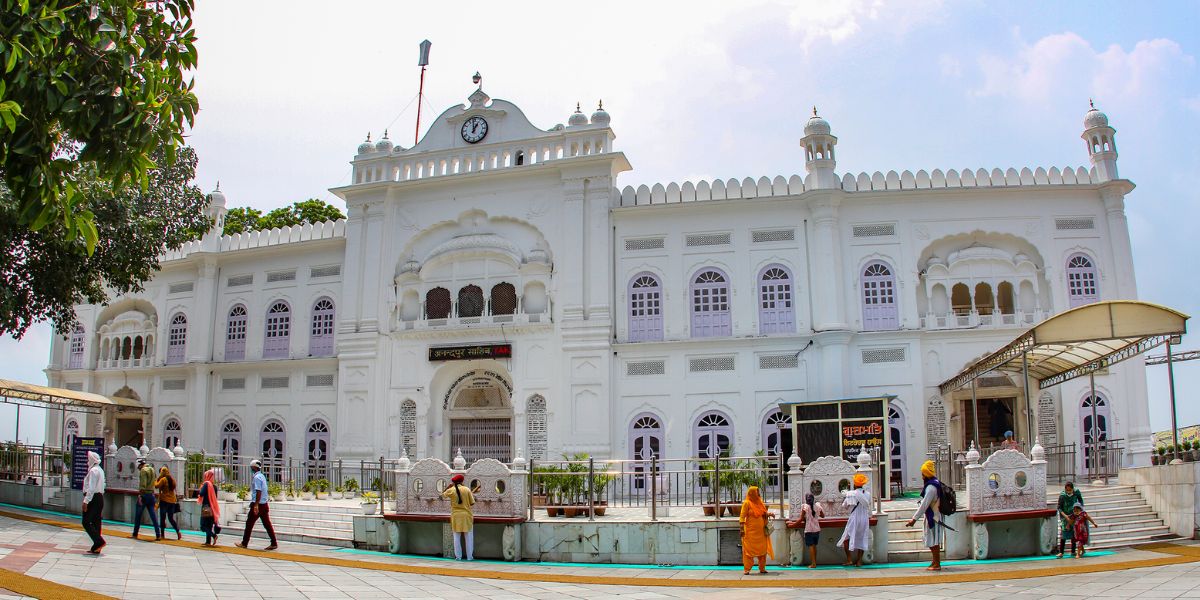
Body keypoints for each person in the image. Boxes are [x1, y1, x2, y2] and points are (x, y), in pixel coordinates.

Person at [905, 460, 944, 571]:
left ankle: (937, 564)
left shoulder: (931, 487)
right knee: (931, 539)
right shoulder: (934, 483)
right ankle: (935, 561)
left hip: (934, 516)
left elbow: (924, 505)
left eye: (923, 474)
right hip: (933, 514)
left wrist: (914, 519)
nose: (922, 476)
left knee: (933, 540)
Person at [235, 459, 278, 550]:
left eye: (251, 467)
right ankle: (274, 543)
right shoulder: (262, 476)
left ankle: (244, 543)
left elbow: (258, 491)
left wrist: (256, 505)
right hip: (264, 504)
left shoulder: (257, 478)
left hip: (259, 504)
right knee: (267, 524)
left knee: (249, 523)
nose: (251, 468)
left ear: (254, 467)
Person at [837, 473, 871, 567]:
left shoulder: (851, 494)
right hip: (864, 518)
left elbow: (845, 506)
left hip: (854, 518)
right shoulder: (867, 494)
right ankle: (859, 561)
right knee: (863, 538)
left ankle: (849, 559)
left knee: (846, 539)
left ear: (855, 484)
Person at [738, 485, 774, 574]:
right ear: (752, 493)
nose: (758, 494)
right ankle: (747, 569)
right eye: (756, 492)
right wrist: (742, 529)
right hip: (750, 533)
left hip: (761, 533)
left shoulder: (759, 502)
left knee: (763, 550)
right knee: (748, 551)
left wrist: (769, 514)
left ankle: (762, 568)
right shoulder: (747, 503)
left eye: (758, 492)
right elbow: (742, 517)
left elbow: (762, 513)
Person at [786, 492, 825, 568]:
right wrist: (816, 514)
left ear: (806, 499)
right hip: (817, 529)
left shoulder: (805, 507)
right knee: (814, 546)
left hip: (809, 529)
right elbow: (822, 516)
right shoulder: (817, 506)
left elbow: (800, 519)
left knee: (810, 546)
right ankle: (814, 562)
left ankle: (813, 564)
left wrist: (792, 525)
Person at [442, 474, 475, 560]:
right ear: (462, 481)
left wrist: (448, 487)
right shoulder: (467, 489)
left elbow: (442, 495)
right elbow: (472, 503)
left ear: (453, 482)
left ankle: (458, 557)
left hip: (456, 516)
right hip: (466, 516)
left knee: (456, 537)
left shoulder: (451, 490)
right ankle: (469, 557)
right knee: (468, 537)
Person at [81, 451, 106, 554]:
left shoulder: (93, 471)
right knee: (96, 521)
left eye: (88, 460)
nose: (87, 462)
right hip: (99, 497)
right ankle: (97, 547)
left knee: (86, 522)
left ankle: (99, 541)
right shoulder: (100, 470)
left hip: (93, 498)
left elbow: (91, 488)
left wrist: (86, 501)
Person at [131, 458, 161, 540]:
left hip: (144, 495)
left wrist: (140, 495)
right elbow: (155, 481)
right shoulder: (152, 469)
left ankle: (135, 534)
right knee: (153, 516)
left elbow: (143, 484)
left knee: (138, 515)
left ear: (140, 465)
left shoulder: (143, 471)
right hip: (151, 494)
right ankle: (158, 534)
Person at [1056, 481, 1085, 558]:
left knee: (1074, 534)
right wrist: (1065, 516)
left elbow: (1081, 501)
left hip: (1074, 516)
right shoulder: (1062, 495)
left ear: (1072, 489)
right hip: (1065, 517)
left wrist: (1079, 510)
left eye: (1070, 490)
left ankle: (1073, 551)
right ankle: (1061, 552)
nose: (1068, 492)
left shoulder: (1076, 492)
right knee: (1063, 533)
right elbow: (1059, 507)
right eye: (1067, 490)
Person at [197, 468, 222, 546]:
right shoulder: (214, 486)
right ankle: (208, 542)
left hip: (206, 507)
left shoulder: (206, 484)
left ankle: (214, 536)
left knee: (203, 525)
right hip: (213, 508)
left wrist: (200, 489)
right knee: (209, 525)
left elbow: (201, 494)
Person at [156, 466, 181, 540]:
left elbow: (156, 486)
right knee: (171, 518)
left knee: (162, 517)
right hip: (172, 501)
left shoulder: (163, 479)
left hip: (164, 500)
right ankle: (178, 531)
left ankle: (162, 534)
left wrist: (155, 480)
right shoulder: (172, 479)